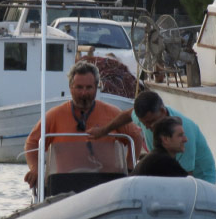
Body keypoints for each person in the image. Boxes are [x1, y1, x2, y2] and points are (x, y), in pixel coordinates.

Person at [24, 60, 143, 191]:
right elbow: (32, 143)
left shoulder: (112, 113)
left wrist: (130, 168)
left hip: (106, 183)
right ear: (70, 87)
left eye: (89, 88)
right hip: (64, 184)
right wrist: (36, 169)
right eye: (79, 87)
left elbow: (136, 135)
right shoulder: (54, 115)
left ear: (96, 87)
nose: (84, 93)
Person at [88, 89, 216, 184]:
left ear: (162, 110)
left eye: (150, 122)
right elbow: (128, 114)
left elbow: (187, 180)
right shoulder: (146, 120)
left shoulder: (183, 136)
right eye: (143, 123)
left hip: (201, 177)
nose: (148, 127)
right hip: (165, 168)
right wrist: (104, 130)